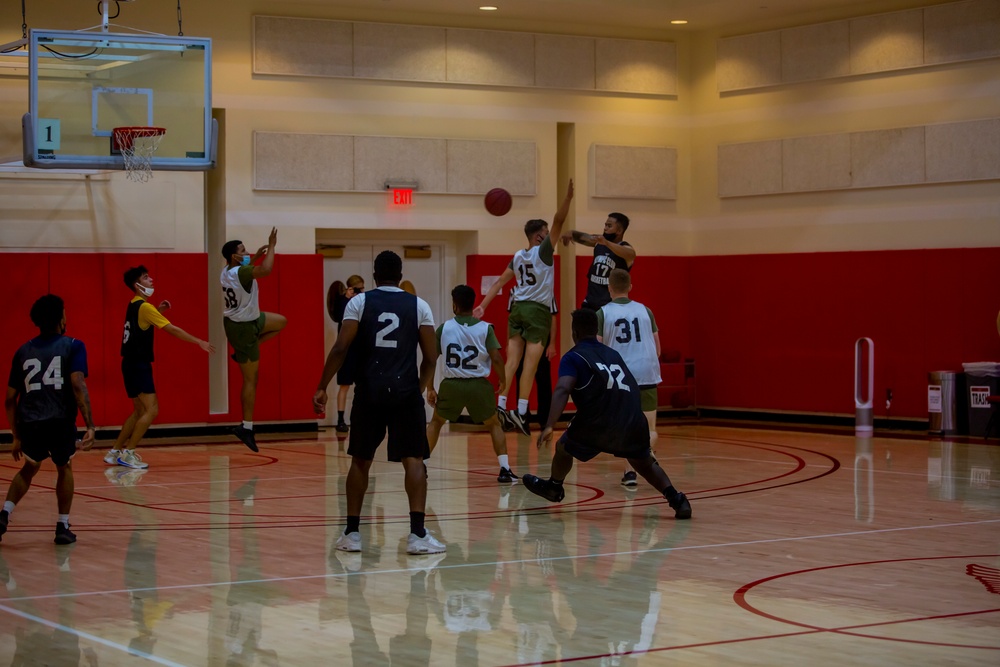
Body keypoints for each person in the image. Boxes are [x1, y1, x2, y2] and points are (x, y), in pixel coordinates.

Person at [313, 250, 444, 555]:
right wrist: (420, 387)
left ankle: (352, 533)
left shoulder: (359, 302)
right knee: (414, 460)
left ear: (374, 275)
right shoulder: (418, 304)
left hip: (369, 390)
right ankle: (417, 534)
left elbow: (340, 347)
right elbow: (431, 357)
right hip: (404, 392)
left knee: (360, 459)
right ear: (400, 275)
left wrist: (322, 386)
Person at [521, 309, 691, 520]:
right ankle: (677, 499)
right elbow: (631, 386)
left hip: (599, 420)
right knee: (643, 461)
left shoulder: (573, 357)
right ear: (596, 330)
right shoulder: (613, 354)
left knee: (563, 447)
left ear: (574, 332)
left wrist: (549, 425)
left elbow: (563, 388)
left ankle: (554, 487)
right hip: (632, 419)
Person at [474, 179, 574, 436]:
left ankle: (501, 406)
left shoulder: (518, 256)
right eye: (546, 231)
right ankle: (520, 411)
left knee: (512, 361)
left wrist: (482, 306)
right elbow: (559, 220)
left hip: (517, 309)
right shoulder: (544, 251)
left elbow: (498, 283)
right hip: (536, 311)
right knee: (530, 365)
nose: (550, 233)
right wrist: (568, 199)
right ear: (540, 235)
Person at [2, 294, 96, 545]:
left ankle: (5, 513)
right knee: (63, 467)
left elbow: (10, 398)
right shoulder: (74, 345)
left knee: (29, 467)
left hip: (30, 421)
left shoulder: (23, 350)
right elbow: (77, 383)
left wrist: (16, 434)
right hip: (59, 420)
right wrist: (89, 424)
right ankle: (62, 525)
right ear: (60, 318)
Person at [105, 265, 215, 470]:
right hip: (138, 364)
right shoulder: (145, 308)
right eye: (146, 278)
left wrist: (160, 310)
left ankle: (114, 452)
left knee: (138, 411)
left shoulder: (135, 305)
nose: (151, 280)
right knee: (152, 409)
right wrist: (198, 341)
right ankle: (128, 454)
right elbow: (172, 329)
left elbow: (143, 325)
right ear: (137, 285)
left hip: (128, 363)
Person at [426, 284, 516, 483]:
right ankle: (504, 469)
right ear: (472, 303)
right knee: (494, 424)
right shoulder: (486, 328)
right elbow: (497, 358)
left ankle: (421, 465)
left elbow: (431, 359)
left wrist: (430, 387)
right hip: (478, 385)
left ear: (455, 305)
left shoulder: (444, 328)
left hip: (452, 385)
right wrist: (503, 379)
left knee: (436, 423)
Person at [221, 227, 287, 452]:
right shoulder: (241, 273)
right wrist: (272, 246)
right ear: (234, 256)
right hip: (242, 327)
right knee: (251, 380)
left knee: (281, 322)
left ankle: (243, 351)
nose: (246, 252)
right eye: (243, 250)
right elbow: (266, 270)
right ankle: (246, 427)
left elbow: (245, 268)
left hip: (249, 320)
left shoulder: (227, 270)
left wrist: (256, 255)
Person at [597, 268, 662, 488]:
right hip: (647, 371)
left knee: (626, 427)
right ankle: (645, 459)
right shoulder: (646, 311)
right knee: (650, 427)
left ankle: (631, 471)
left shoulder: (603, 313)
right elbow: (658, 348)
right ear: (630, 287)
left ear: (609, 288)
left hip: (621, 375)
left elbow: (597, 349)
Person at [561, 211, 635, 310]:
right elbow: (586, 237)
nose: (605, 228)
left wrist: (607, 243)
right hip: (591, 302)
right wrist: (571, 233)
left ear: (619, 231)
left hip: (610, 305)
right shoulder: (599, 242)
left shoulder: (624, 249)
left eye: (609, 226)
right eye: (605, 225)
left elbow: (631, 254)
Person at [328, 275, 365, 433]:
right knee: (344, 385)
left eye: (362, 289)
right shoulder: (342, 303)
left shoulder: (363, 301)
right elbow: (338, 317)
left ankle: (358, 418)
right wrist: (346, 298)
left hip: (359, 349)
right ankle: (340, 419)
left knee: (362, 386)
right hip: (346, 350)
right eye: (358, 289)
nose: (360, 292)